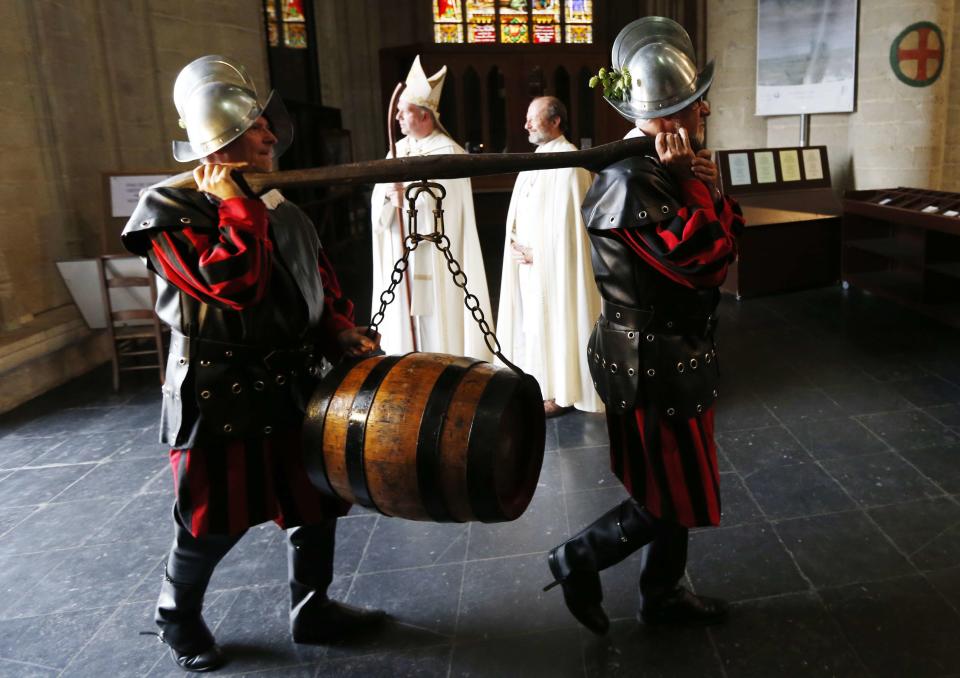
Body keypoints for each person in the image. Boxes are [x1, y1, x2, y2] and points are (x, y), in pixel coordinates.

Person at [122, 55, 386, 672]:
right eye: (259, 127)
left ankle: (311, 607)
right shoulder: (167, 211)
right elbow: (231, 282)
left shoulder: (281, 207)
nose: (272, 136)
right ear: (224, 135)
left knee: (316, 504)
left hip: (295, 383)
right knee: (212, 519)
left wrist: (340, 330)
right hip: (219, 392)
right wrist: (237, 210)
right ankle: (176, 616)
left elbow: (315, 284)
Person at [543, 18, 745, 635]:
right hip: (649, 362)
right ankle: (577, 558)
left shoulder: (664, 172)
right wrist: (691, 185)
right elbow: (707, 263)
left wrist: (702, 186)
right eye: (689, 104)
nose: (703, 109)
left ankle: (662, 594)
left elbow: (727, 236)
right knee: (668, 493)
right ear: (660, 119)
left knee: (678, 486)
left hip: (674, 353)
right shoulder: (631, 181)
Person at [370, 55, 493, 360]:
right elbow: (379, 197)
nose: (398, 118)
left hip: (435, 259)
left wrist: (411, 198)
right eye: (397, 112)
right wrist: (388, 197)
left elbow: (449, 206)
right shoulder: (398, 149)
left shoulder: (447, 152)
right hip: (402, 256)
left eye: (405, 112)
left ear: (425, 116)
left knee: (438, 328)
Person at [496, 96, 602, 417]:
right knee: (534, 325)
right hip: (529, 268)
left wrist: (539, 252)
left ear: (556, 121)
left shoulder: (570, 164)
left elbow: (571, 233)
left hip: (556, 271)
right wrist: (514, 242)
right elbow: (521, 214)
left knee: (556, 320)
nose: (526, 125)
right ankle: (539, 381)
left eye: (533, 118)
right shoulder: (534, 160)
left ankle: (560, 388)